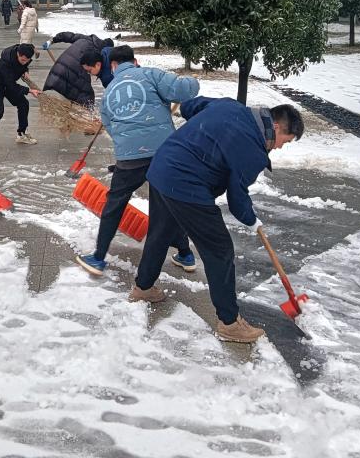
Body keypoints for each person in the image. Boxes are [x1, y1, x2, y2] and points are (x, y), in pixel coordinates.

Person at [130, 97, 305, 344]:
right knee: (220, 251)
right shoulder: (253, 150)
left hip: (162, 167)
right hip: (187, 186)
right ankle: (230, 323)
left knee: (161, 232)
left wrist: (209, 133)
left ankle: (143, 288)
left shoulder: (228, 106)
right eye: (284, 142)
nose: (279, 148)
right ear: (276, 127)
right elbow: (237, 197)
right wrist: (251, 220)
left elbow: (189, 107)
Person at [75, 46, 200, 277]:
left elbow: (109, 124)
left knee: (114, 204)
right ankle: (185, 254)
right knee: (166, 205)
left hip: (129, 158)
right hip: (163, 154)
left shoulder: (110, 90)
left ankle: (99, 257)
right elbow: (184, 91)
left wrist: (128, 143)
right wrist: (192, 81)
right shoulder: (151, 74)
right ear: (135, 61)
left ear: (113, 66)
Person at [41, 32, 114, 107]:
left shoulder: (88, 39)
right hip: (74, 71)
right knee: (85, 97)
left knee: (61, 92)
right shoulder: (96, 57)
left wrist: (51, 41)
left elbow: (68, 36)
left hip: (59, 68)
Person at [0, 43, 40, 147]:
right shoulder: (5, 63)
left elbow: (29, 50)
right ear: (18, 54)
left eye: (27, 60)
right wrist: (29, 90)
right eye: (23, 60)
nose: (24, 62)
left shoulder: (25, 54)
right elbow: (11, 85)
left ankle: (21, 134)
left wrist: (25, 70)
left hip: (8, 84)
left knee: (23, 104)